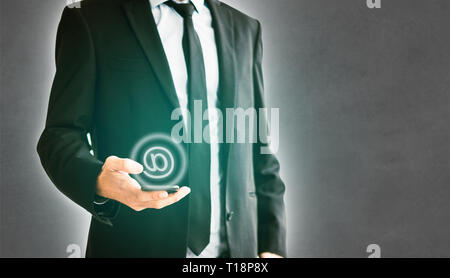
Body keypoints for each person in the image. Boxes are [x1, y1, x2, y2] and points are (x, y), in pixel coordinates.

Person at [37, 0, 286, 258]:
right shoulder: (90, 18)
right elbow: (59, 136)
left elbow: (259, 145)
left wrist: (272, 246)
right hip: (134, 246)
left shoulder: (245, 29)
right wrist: (98, 180)